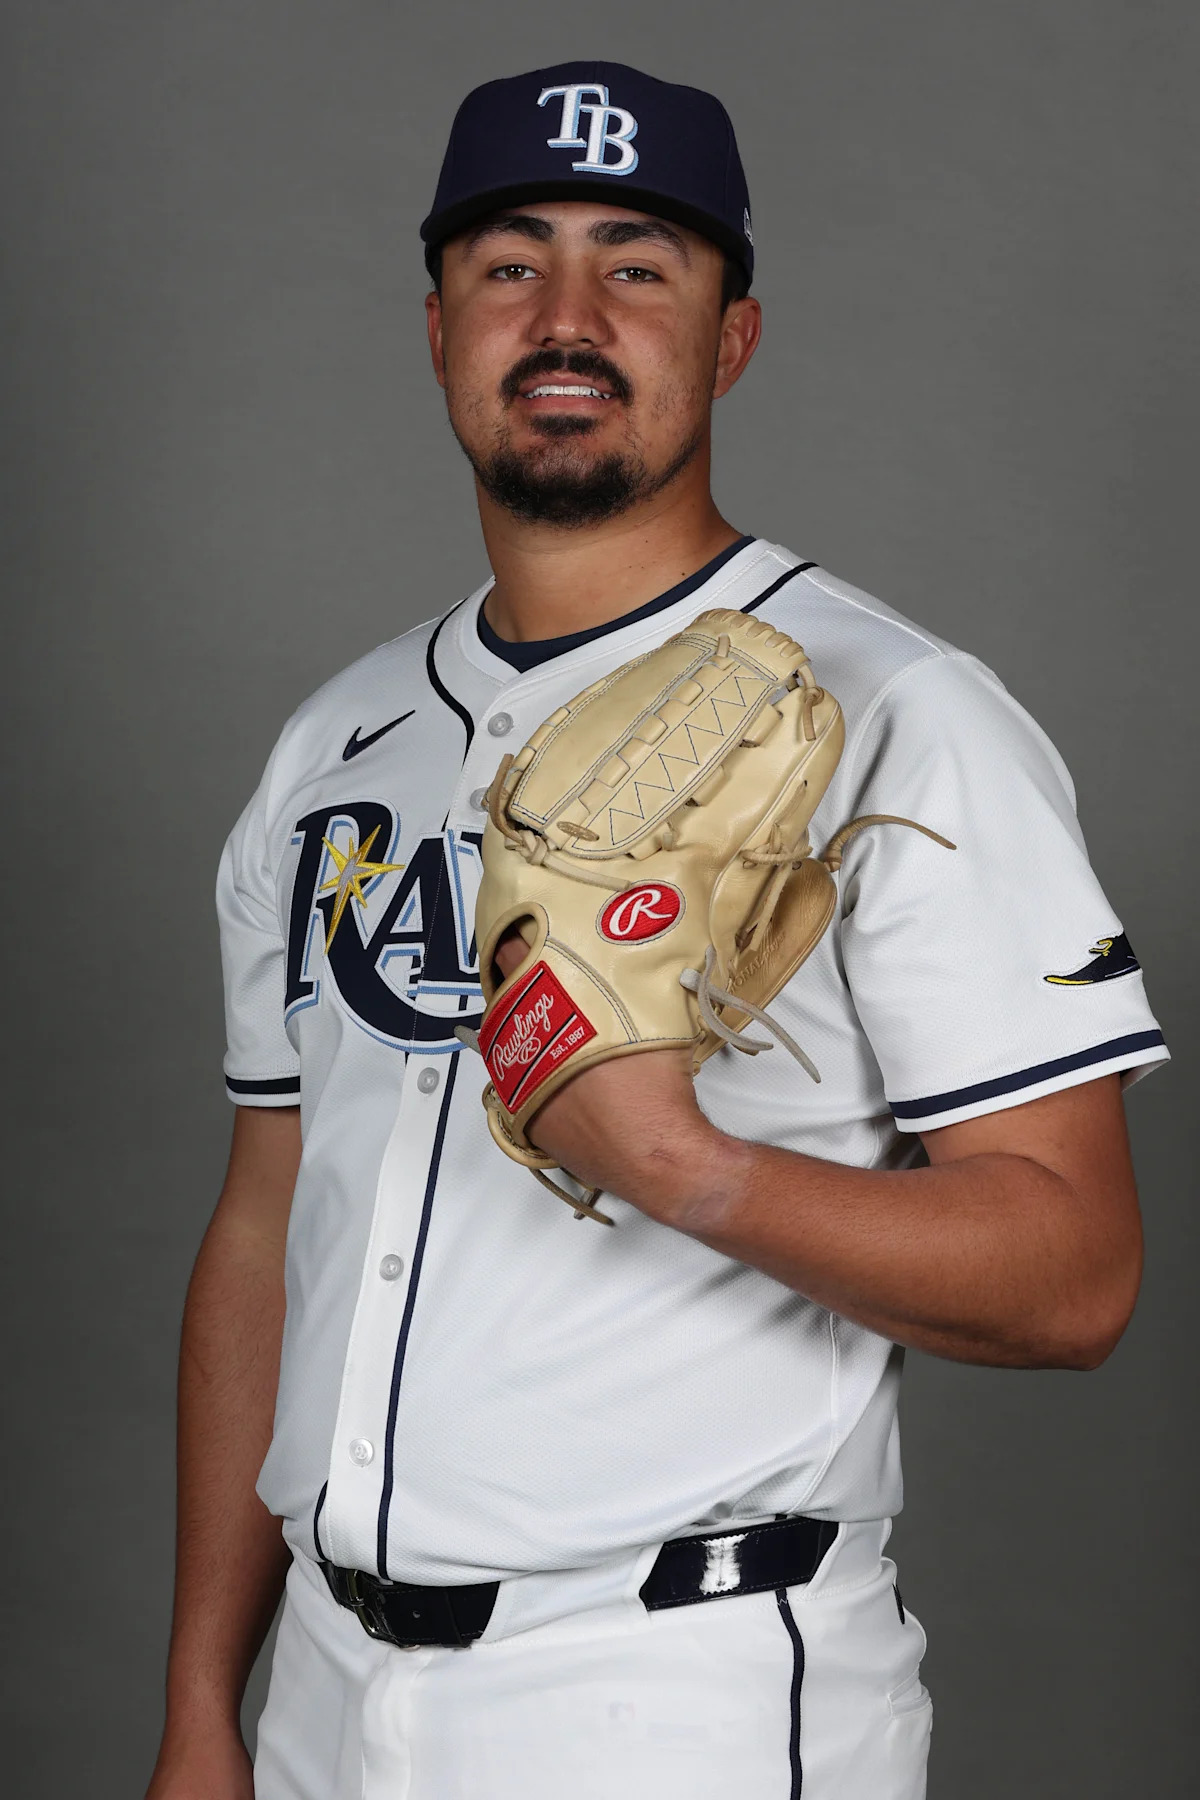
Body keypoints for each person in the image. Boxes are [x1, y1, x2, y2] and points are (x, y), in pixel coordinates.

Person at [146, 60, 1167, 1800]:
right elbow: (266, 1230)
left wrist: (686, 1168)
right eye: (510, 263)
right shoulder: (333, 747)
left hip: (677, 1691)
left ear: (733, 336)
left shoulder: (898, 717)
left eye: (637, 264)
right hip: (321, 1687)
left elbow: (1078, 1278)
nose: (566, 316)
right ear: (439, 329)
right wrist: (200, 1707)